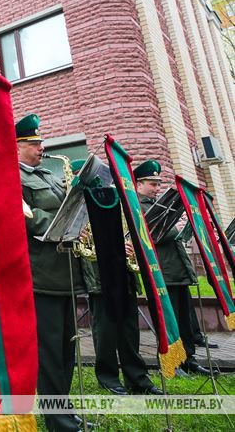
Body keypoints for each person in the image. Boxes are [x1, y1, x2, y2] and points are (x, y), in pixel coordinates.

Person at [71, 158, 162, 396]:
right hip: (98, 273)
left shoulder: (114, 197)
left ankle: (137, 378)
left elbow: (127, 229)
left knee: (130, 329)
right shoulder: (77, 200)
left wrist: (130, 245)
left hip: (123, 272)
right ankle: (108, 376)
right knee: (106, 329)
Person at [17, 114, 85, 432]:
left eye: (41, 142)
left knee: (66, 349)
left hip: (66, 272)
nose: (41, 147)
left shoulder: (47, 174)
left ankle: (65, 409)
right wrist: (62, 223)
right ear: (17, 147)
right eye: (34, 143)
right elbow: (25, 217)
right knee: (49, 350)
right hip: (41, 274)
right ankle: (57, 419)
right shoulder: (10, 176)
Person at [134, 160, 213, 376]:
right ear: (139, 184)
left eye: (158, 184)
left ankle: (189, 358)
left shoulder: (159, 205)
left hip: (177, 270)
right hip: (162, 273)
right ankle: (171, 363)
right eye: (152, 184)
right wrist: (174, 227)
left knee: (185, 320)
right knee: (169, 321)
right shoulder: (138, 206)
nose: (157, 188)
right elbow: (152, 235)